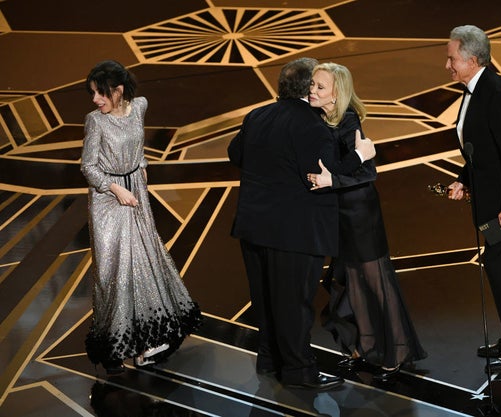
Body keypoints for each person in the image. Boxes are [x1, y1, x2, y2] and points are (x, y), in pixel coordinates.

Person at [228, 57, 376, 391]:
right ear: (308, 86)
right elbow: (322, 173)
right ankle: (298, 371)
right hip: (295, 234)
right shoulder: (312, 124)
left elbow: (235, 154)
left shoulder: (257, 115)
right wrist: (361, 156)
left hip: (253, 228)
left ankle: (269, 360)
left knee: (265, 299)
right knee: (294, 304)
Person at [307, 62, 427, 382]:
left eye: (320, 86)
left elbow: (366, 172)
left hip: (361, 216)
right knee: (353, 281)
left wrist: (334, 179)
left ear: (337, 93)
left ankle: (398, 350)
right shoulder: (319, 118)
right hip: (340, 217)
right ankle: (368, 345)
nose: (312, 90)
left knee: (377, 283)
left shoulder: (348, 121)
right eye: (312, 85)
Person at [81, 60, 202, 375]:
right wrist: (116, 189)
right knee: (112, 274)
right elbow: (88, 166)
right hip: (108, 200)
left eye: (101, 94)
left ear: (118, 91)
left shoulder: (139, 107)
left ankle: (146, 342)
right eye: (93, 94)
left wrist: (142, 165)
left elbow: (139, 143)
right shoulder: (95, 121)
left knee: (143, 265)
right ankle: (112, 348)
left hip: (137, 193)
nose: (96, 100)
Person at [444, 25, 501, 373]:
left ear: (471, 59)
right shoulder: (477, 89)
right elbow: (481, 150)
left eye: (452, 58)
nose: (448, 65)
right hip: (491, 200)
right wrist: (463, 178)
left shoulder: (495, 92)